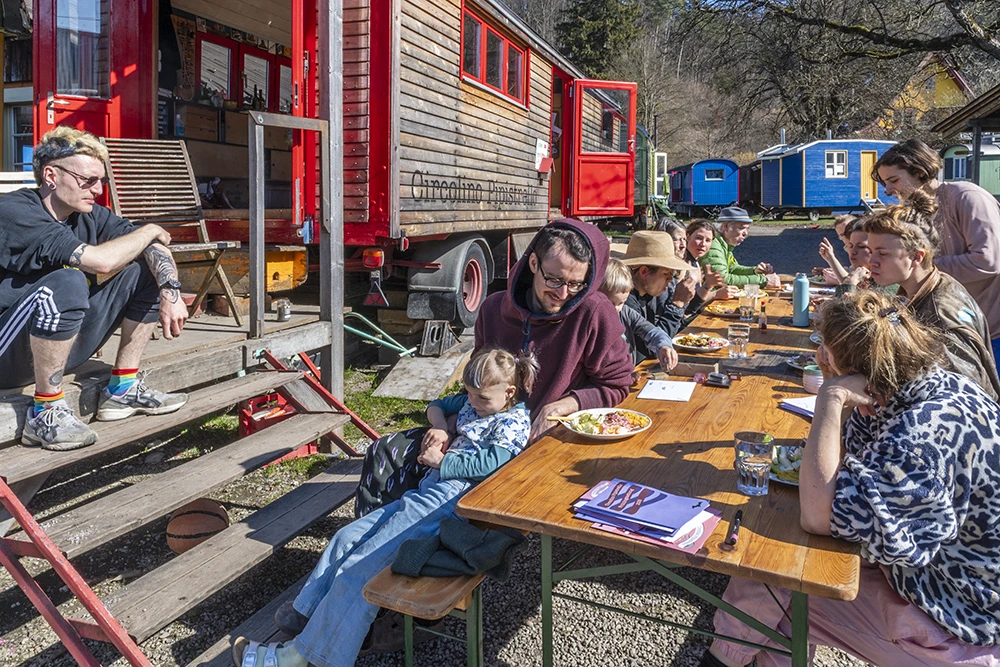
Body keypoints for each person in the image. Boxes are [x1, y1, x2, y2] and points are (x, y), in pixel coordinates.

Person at [702, 290, 1000, 667]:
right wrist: (841, 391)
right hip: (948, 581)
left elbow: (818, 513)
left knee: (777, 592)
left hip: (962, 622)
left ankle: (719, 660)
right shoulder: (928, 387)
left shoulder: (917, 436)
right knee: (777, 574)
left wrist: (831, 394)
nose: (816, 355)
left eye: (822, 348)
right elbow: (846, 460)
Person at [234, 348, 538, 667]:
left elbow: (493, 465)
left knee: (363, 569)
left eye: (482, 399)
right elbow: (438, 406)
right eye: (470, 395)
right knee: (347, 538)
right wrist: (441, 428)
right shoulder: (474, 402)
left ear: (509, 392)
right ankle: (306, 617)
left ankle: (304, 656)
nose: (473, 403)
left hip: (450, 500)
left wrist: (443, 461)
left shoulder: (512, 422)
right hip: (428, 491)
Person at [0, 127, 189, 451]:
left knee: (143, 271)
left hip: (56, 345)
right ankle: (45, 412)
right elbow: (101, 261)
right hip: (6, 353)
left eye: (100, 181)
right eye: (87, 181)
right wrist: (150, 230)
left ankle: (122, 389)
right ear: (51, 175)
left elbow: (153, 247)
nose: (98, 190)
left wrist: (170, 290)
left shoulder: (88, 215)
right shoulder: (14, 212)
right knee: (69, 279)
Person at [874, 138, 1000, 374]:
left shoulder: (967, 197)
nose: (888, 190)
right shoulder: (919, 212)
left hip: (992, 331)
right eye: (884, 183)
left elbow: (989, 261)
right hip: (956, 325)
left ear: (920, 172)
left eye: (893, 180)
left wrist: (927, 267)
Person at [863, 191, 999, 400]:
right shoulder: (921, 288)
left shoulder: (940, 317)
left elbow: (962, 398)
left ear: (917, 256)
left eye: (882, 253)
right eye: (870, 251)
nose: (871, 261)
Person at [619, 230, 695, 357]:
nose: (670, 279)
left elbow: (672, 332)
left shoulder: (649, 293)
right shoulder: (624, 300)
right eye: (666, 273)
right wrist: (677, 305)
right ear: (644, 272)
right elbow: (650, 351)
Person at [600, 258, 675, 370]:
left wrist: (663, 345)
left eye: (621, 302)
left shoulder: (626, 312)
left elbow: (652, 332)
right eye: (610, 303)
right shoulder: (595, 321)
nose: (616, 309)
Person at [698, 206, 781, 288]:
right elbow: (722, 279)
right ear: (726, 226)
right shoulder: (713, 244)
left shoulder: (723, 243)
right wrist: (763, 280)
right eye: (741, 228)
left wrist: (754, 271)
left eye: (747, 229)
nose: (746, 233)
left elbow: (732, 269)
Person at [684, 219, 740, 307]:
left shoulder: (695, 261)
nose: (703, 244)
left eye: (708, 240)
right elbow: (687, 305)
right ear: (688, 236)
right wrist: (716, 294)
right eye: (699, 238)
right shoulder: (683, 264)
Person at [816, 214, 856, 284]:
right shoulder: (848, 248)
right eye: (841, 235)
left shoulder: (865, 248)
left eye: (847, 232)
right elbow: (853, 270)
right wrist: (833, 269)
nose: (845, 237)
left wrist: (837, 280)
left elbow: (862, 281)